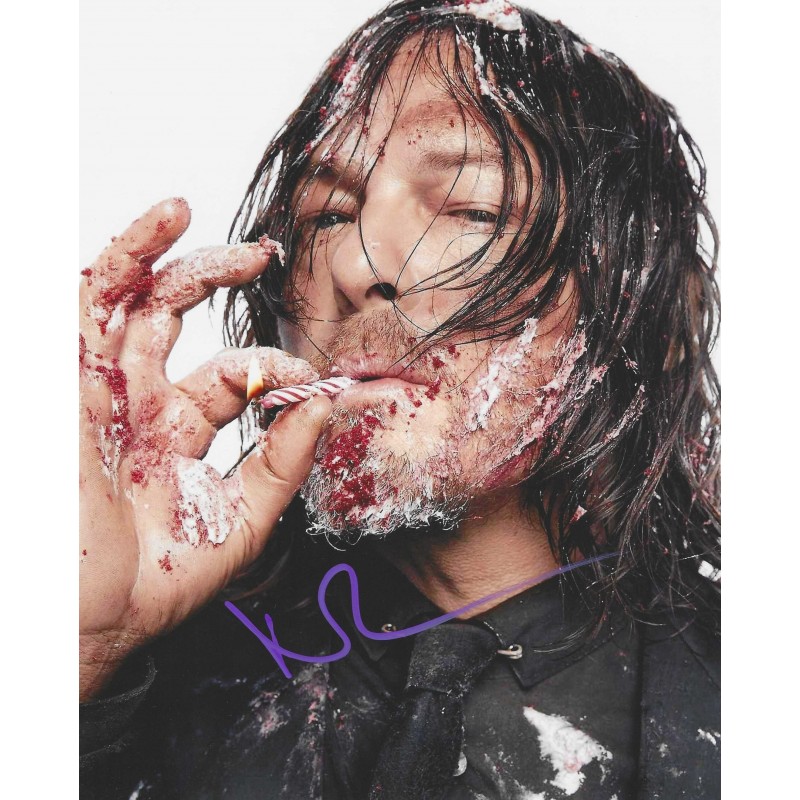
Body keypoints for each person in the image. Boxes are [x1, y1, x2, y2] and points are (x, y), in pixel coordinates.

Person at [79, 1, 721, 797]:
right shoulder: (133, 675)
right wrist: (82, 655)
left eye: (471, 208)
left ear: (630, 295)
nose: (355, 266)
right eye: (327, 215)